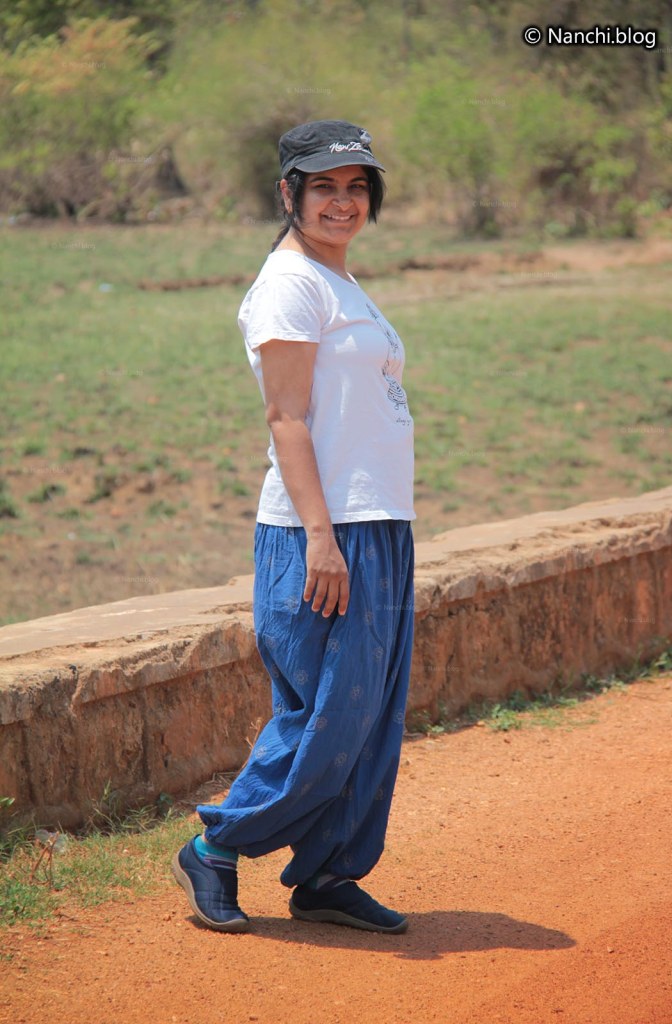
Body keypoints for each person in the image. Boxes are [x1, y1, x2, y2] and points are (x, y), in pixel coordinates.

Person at [171, 119, 416, 935]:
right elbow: (285, 418)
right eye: (323, 186)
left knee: (371, 715)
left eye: (355, 187)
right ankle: (215, 850)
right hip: (322, 529)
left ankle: (326, 875)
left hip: (376, 522)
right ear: (288, 193)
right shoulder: (290, 285)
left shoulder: (341, 282)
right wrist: (320, 537)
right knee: (324, 716)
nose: (341, 202)